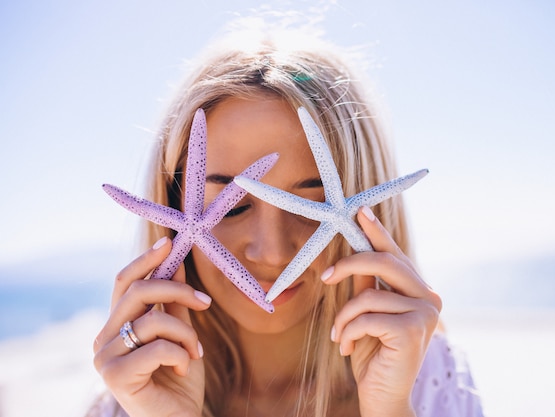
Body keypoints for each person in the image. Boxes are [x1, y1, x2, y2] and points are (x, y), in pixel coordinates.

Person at [89, 18, 484, 417]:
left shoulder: (432, 382)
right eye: (233, 206)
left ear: (370, 212)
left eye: (313, 208)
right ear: (169, 210)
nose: (274, 253)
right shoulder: (132, 401)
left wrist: (390, 408)